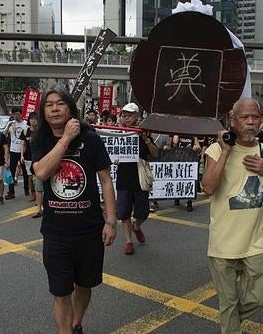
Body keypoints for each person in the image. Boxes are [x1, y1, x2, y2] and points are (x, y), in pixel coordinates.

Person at [32, 85, 117, 334]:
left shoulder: (90, 138)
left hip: (89, 231)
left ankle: (76, 322)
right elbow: (42, 172)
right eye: (49, 105)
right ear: (43, 112)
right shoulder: (41, 140)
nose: (55, 108)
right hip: (56, 233)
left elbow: (106, 180)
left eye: (60, 103)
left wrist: (110, 220)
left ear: (70, 108)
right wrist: (66, 138)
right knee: (60, 292)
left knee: (84, 285)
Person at [201, 98, 263, 334]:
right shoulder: (217, 149)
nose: (250, 122)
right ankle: (230, 323)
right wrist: (227, 152)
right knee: (227, 303)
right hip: (222, 246)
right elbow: (208, 187)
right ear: (233, 121)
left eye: (255, 117)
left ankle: (230, 320)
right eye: (244, 117)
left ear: (261, 121)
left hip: (256, 244)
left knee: (260, 297)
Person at [116, 102, 159, 255]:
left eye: (129, 115)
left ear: (137, 117)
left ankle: (137, 226)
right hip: (123, 178)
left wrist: (146, 139)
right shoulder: (117, 133)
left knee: (143, 212)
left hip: (140, 177)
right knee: (124, 212)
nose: (125, 118)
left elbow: (155, 154)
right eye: (124, 115)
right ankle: (128, 241)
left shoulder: (143, 133)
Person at [171, 134, 202, 212]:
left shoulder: (192, 136)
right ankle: (177, 198)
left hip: (189, 161)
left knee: (189, 181)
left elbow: (198, 148)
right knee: (178, 180)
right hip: (179, 160)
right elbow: (174, 143)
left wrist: (194, 142)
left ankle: (189, 202)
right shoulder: (178, 134)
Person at [5, 107, 30, 199]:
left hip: (23, 151)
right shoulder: (11, 124)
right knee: (11, 171)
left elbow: (25, 138)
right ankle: (11, 192)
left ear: (21, 114)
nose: (16, 115)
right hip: (13, 151)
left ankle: (26, 189)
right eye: (14, 114)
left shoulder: (26, 124)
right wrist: (8, 126)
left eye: (17, 113)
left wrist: (15, 130)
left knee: (25, 171)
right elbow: (3, 135)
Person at [20, 112, 39, 203]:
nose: (33, 121)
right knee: (30, 177)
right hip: (28, 157)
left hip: (39, 157)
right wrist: (21, 155)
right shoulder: (25, 131)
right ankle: (33, 193)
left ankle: (40, 194)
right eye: (31, 119)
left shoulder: (40, 131)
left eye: (35, 119)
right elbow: (23, 144)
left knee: (38, 177)